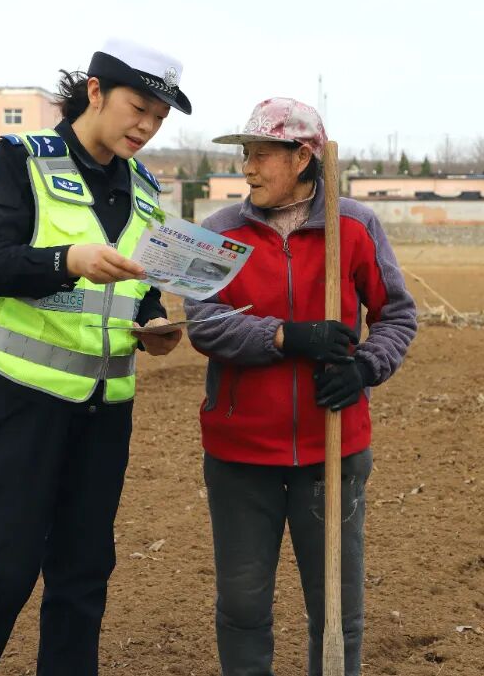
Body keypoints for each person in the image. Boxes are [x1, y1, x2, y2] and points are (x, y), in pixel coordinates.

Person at [0, 38, 192, 676]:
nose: (146, 128)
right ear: (95, 91)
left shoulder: (145, 189)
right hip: (20, 395)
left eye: (159, 118)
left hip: (105, 405)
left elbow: (141, 286)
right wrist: (67, 260)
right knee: (5, 568)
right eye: (138, 109)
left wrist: (154, 322)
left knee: (84, 569)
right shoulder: (19, 160)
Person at [184, 98, 418, 676]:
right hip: (240, 456)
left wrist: (365, 367)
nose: (248, 168)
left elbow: (396, 315)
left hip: (332, 451)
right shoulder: (218, 232)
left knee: (338, 610)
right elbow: (205, 324)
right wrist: (285, 336)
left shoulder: (354, 227)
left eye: (261, 154)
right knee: (242, 609)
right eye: (245, 154)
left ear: (303, 157)